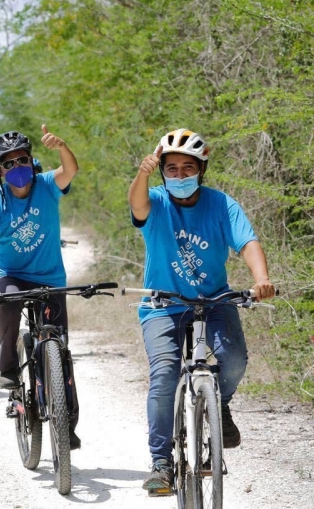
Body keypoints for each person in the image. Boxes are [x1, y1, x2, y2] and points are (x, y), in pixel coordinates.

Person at [128, 128, 276, 494]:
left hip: (214, 299)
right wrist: (143, 174)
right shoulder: (156, 200)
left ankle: (219, 404)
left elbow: (248, 242)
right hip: (162, 304)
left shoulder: (222, 204)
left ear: (201, 170)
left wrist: (262, 279)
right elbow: (137, 206)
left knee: (234, 359)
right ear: (163, 172)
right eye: (172, 168)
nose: (180, 175)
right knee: (164, 374)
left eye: (188, 168)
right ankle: (161, 463)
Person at [0, 125, 82, 449]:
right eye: (9, 163)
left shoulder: (46, 185)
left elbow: (70, 170)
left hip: (50, 277)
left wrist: (62, 146)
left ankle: (67, 424)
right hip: (12, 275)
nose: (17, 167)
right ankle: (8, 365)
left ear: (32, 161)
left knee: (60, 350)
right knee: (6, 302)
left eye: (22, 160)